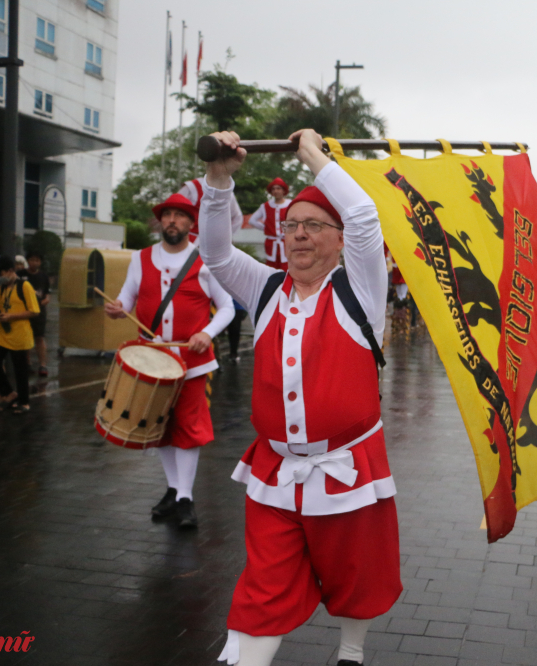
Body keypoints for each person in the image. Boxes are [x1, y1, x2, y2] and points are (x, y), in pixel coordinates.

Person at [198, 129, 401, 666]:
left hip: (348, 468)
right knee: (262, 589)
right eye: (292, 226)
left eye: (314, 226)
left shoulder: (360, 289)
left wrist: (312, 155)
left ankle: (351, 653)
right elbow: (216, 253)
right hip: (276, 471)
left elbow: (364, 217)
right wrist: (219, 180)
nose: (300, 236)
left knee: (355, 575)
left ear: (339, 240)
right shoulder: (262, 288)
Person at [105, 191, 235, 528]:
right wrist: (118, 307)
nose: (172, 221)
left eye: (179, 216)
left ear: (191, 224)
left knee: (188, 427)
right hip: (153, 360)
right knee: (159, 425)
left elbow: (228, 308)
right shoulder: (141, 258)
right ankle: (174, 489)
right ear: (160, 221)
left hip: (193, 361)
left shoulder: (205, 261)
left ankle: (185, 497)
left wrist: (207, 333)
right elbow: (128, 296)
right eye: (166, 215)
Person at [0, 257, 40, 413]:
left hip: (19, 333)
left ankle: (24, 402)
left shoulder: (24, 286)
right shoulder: (3, 287)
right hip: (2, 332)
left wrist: (11, 317)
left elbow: (34, 311)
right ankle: (9, 393)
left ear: (10, 271)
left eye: (1, 274)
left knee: (20, 369)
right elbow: (2, 306)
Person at [178, 176, 244, 243]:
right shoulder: (192, 187)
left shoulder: (227, 192)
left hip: (212, 242)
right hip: (188, 240)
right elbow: (174, 207)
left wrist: (224, 238)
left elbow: (237, 218)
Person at [247, 177, 292, 270]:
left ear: (284, 191)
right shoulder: (265, 206)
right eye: (273, 189)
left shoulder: (290, 204)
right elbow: (252, 220)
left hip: (287, 241)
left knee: (288, 266)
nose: (276, 191)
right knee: (271, 267)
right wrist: (266, 228)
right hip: (271, 243)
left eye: (278, 188)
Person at [21, 250, 51, 376]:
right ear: (27, 261)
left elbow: (47, 296)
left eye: (37, 260)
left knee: (39, 337)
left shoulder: (43, 276)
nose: (34, 263)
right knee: (25, 337)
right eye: (32, 260)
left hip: (39, 313)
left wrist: (39, 304)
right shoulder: (20, 275)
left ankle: (42, 365)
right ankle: (27, 364)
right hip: (23, 312)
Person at [225, 300, 248, 364]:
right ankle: (232, 352)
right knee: (231, 331)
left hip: (238, 308)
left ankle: (234, 352)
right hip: (228, 308)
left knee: (235, 330)